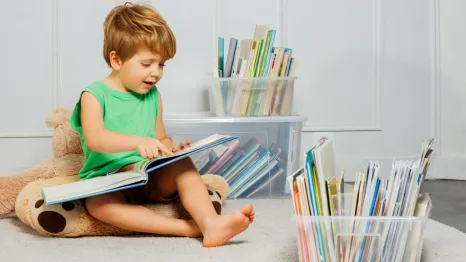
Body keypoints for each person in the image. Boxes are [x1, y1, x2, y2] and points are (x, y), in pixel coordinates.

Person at [70, 2, 254, 247]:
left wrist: (171, 150)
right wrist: (137, 142)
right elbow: (96, 138)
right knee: (99, 207)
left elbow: (160, 138)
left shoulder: (153, 95)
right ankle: (188, 228)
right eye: (147, 64)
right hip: (107, 180)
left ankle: (211, 222)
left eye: (161, 64)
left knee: (183, 165)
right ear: (116, 60)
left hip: (145, 175)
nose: (156, 73)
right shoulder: (93, 95)